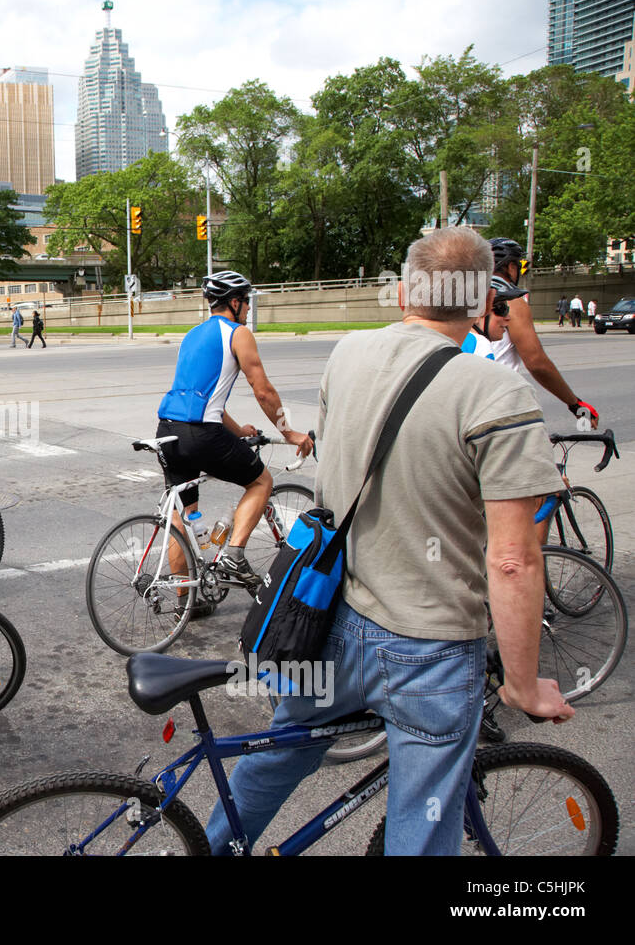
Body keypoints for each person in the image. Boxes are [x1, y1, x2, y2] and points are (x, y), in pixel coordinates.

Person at [204, 227, 572, 856]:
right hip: (428, 645)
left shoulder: (348, 354)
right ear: (485, 298)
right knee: (422, 818)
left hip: (328, 619)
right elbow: (511, 560)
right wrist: (523, 683)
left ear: (403, 292)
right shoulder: (497, 393)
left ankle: (210, 847)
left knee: (277, 756)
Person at [156, 271, 313, 598]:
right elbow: (263, 390)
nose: (248, 309)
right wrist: (289, 432)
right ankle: (234, 554)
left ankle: (187, 603)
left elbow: (199, 395)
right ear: (234, 302)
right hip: (201, 434)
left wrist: (239, 430)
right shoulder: (238, 333)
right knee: (261, 482)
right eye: (246, 301)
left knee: (181, 517)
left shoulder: (192, 335)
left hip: (168, 431)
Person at [485, 239, 596, 425]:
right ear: (511, 267)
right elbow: (536, 362)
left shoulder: (469, 297)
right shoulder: (511, 302)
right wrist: (575, 404)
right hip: (498, 402)